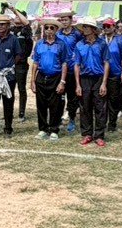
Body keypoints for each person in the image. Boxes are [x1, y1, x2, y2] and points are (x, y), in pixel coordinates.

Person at [72, 18, 110, 147]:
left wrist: (104, 83)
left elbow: (106, 63)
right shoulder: (79, 45)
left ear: (93, 29)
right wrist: (78, 84)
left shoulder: (102, 44)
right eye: (83, 27)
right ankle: (87, 134)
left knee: (100, 108)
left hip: (98, 78)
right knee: (85, 107)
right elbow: (77, 65)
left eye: (87, 27)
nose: (84, 29)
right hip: (84, 79)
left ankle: (99, 135)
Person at [30, 18, 70, 141]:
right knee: (41, 105)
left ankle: (54, 129)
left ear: (56, 29)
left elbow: (64, 63)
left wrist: (62, 82)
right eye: (46, 27)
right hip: (41, 77)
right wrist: (32, 80)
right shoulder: (39, 43)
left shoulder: (61, 44)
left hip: (55, 77)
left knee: (55, 106)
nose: (48, 30)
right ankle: (42, 129)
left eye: (51, 27)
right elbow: (35, 62)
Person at [0, 17, 23, 138]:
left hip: (8, 75)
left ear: (8, 25)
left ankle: (8, 129)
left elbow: (18, 55)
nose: (0, 26)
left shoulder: (14, 39)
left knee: (8, 102)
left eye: (2, 24)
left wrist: (9, 65)